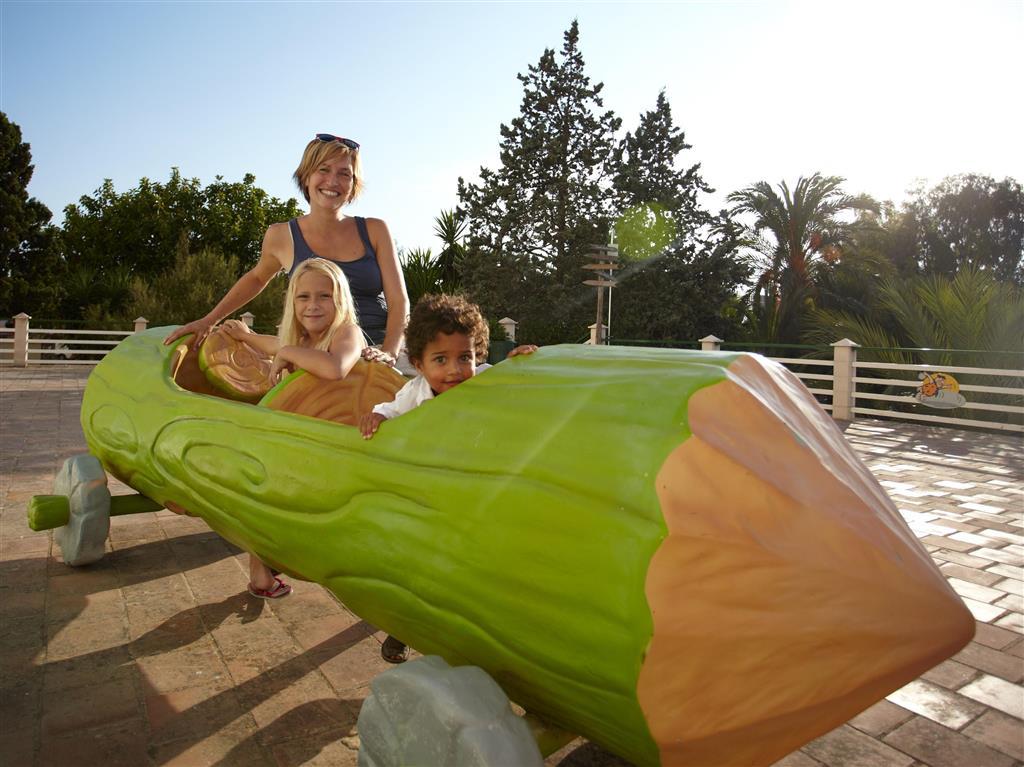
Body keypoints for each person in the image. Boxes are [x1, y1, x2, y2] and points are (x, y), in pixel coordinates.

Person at [358, 294, 536, 661]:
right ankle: (402, 628)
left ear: (478, 356)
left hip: (474, 490)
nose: (455, 369)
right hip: (432, 491)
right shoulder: (415, 392)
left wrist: (524, 362)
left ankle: (473, 631)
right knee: (421, 566)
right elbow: (388, 409)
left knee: (464, 568)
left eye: (464, 357)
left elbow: (522, 384)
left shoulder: (487, 382)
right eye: (441, 360)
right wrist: (378, 418)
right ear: (420, 364)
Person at [165, 133, 409, 364]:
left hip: (375, 351)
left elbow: (398, 300)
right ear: (305, 176)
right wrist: (209, 320)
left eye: (344, 174)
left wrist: (388, 353)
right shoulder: (281, 236)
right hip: (315, 357)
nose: (333, 181)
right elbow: (257, 277)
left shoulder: (375, 230)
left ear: (353, 183)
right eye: (323, 169)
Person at [221, 257, 366, 598]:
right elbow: (273, 346)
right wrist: (247, 336)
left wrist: (288, 351)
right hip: (299, 443)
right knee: (255, 491)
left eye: (323, 296)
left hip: (340, 447)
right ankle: (261, 573)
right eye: (303, 297)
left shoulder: (348, 333)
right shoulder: (297, 340)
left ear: (340, 300)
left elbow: (336, 368)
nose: (312, 305)